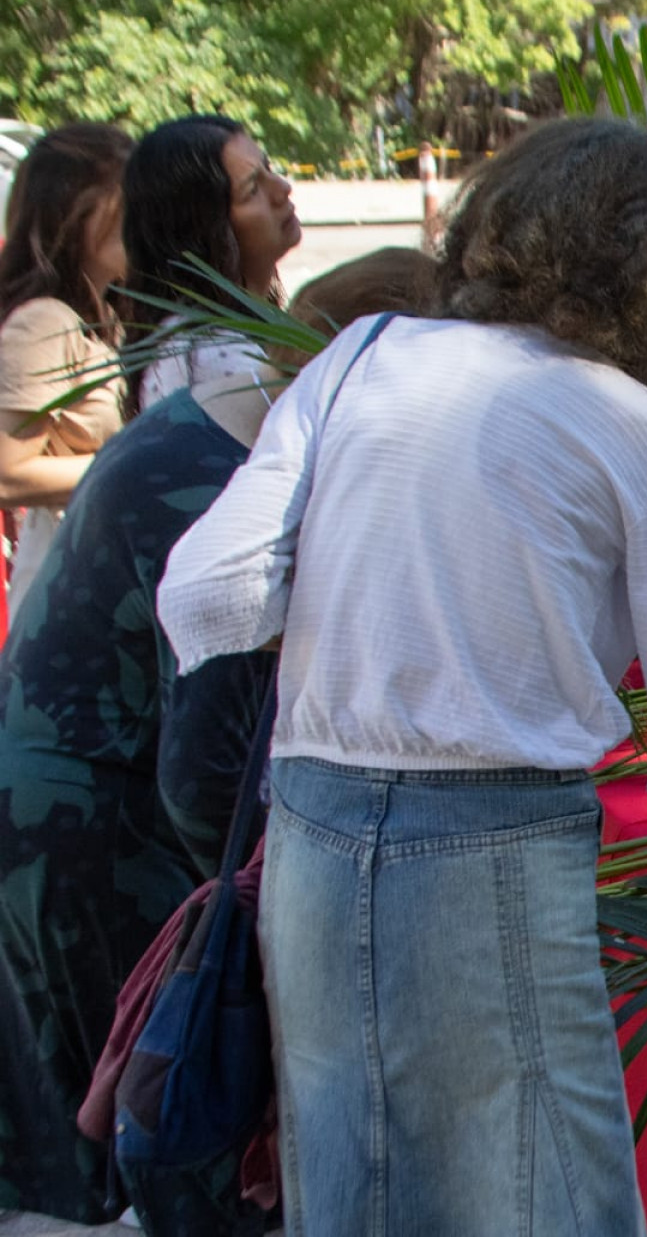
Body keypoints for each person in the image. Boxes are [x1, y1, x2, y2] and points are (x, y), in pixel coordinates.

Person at [157, 119, 647, 1237]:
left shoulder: (365, 352)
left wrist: (386, 626)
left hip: (314, 837)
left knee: (353, 1183)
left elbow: (210, 593)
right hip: (489, 855)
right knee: (541, 1194)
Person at [0, 248, 438, 1229]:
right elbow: (202, 768)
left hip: (68, 809)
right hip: (94, 826)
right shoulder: (232, 484)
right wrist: (262, 929)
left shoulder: (223, 420)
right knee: (185, 1138)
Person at [0, 123, 132, 602]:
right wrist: (133, 464)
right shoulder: (45, 322)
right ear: (74, 210)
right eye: (126, 195)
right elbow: (8, 474)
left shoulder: (107, 314)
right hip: (65, 586)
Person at [116, 115, 302, 413]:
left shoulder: (234, 328)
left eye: (269, 169)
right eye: (253, 189)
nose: (283, 188)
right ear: (205, 230)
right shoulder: (212, 357)